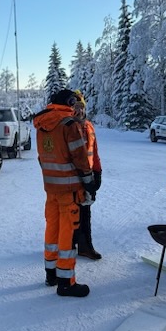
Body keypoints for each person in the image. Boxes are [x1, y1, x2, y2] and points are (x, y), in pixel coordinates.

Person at [33, 89, 98, 297]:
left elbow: (42, 158)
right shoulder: (69, 125)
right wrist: (89, 183)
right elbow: (80, 157)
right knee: (68, 234)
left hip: (51, 188)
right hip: (69, 189)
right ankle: (66, 282)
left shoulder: (42, 125)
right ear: (69, 103)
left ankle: (50, 274)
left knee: (52, 230)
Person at [71, 90, 103, 260]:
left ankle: (85, 246)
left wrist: (97, 173)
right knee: (71, 213)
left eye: (82, 107)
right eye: (76, 107)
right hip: (72, 178)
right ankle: (69, 244)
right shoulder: (67, 127)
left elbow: (94, 152)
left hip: (88, 176)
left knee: (86, 212)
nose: (80, 111)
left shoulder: (89, 126)